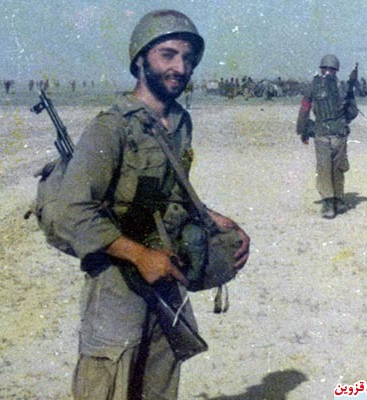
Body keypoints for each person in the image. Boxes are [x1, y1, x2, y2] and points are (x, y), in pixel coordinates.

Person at [54, 9, 250, 399]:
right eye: (168, 55)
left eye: (188, 58)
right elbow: (70, 212)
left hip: (166, 270)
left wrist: (215, 220)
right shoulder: (112, 127)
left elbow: (171, 195)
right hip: (117, 278)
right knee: (109, 382)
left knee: (159, 382)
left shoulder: (179, 123)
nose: (181, 67)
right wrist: (140, 255)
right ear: (141, 59)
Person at [296, 54, 358, 219]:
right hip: (339, 134)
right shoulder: (343, 87)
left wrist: (302, 130)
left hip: (321, 133)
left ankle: (328, 203)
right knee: (338, 168)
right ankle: (338, 200)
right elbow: (353, 111)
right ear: (336, 70)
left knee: (323, 168)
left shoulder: (313, 86)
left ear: (321, 69)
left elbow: (304, 110)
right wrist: (342, 120)